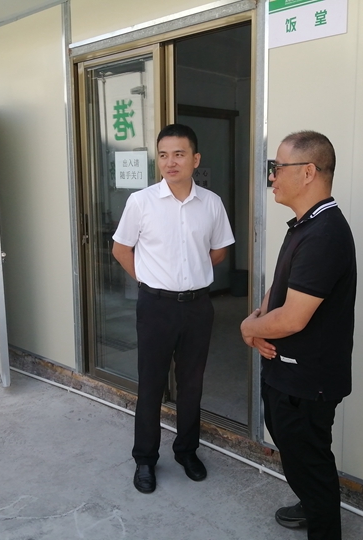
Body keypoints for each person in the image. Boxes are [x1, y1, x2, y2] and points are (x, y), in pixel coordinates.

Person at [241, 131, 356, 540]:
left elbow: (292, 318)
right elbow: (283, 285)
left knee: (310, 462)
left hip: (308, 380)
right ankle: (310, 503)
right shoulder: (305, 225)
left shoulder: (325, 234)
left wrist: (248, 328)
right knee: (297, 455)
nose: (271, 177)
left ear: (308, 172)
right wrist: (260, 316)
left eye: (277, 168)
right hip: (287, 372)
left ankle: (322, 523)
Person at [112, 124, 235, 494]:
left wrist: (191, 272)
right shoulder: (141, 202)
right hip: (156, 307)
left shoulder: (211, 203)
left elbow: (219, 250)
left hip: (197, 306)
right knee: (150, 385)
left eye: (179, 154)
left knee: (192, 385)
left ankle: (186, 451)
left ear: (195, 159)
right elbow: (121, 249)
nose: (170, 162)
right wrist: (148, 280)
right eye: (163, 155)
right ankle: (145, 459)